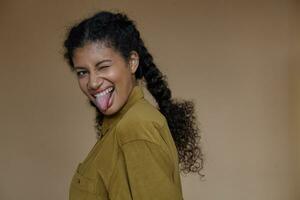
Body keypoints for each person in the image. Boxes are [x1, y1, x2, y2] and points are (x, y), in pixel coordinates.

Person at [63, 11, 203, 200]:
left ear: (132, 62)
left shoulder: (135, 128)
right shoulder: (122, 125)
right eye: (82, 72)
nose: (93, 83)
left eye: (103, 66)